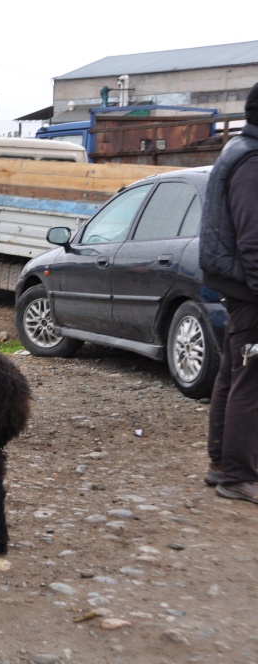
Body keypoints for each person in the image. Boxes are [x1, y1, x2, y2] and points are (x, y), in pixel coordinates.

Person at [199, 80, 258, 504]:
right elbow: (254, 238)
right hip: (249, 287)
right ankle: (238, 475)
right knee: (250, 380)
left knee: (233, 373)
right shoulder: (252, 160)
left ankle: (222, 464)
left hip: (237, 284)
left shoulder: (237, 151)